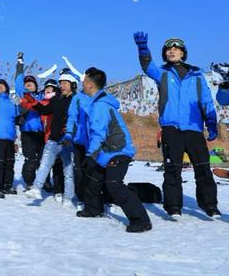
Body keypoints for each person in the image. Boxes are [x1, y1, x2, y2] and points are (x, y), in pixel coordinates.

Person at [134, 32, 220, 218]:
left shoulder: (197, 75)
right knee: (172, 170)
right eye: (168, 50)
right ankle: (174, 207)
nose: (171, 51)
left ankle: (210, 206)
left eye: (176, 49)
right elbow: (147, 67)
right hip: (171, 129)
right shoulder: (163, 74)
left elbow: (206, 101)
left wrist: (212, 124)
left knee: (203, 168)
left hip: (194, 129)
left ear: (183, 53)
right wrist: (143, 49)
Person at [77, 67, 152, 233]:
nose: (81, 82)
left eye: (84, 80)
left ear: (90, 84)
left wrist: (91, 156)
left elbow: (99, 133)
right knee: (93, 178)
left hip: (118, 151)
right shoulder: (97, 103)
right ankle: (93, 209)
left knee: (114, 184)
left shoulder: (100, 106)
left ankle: (141, 220)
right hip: (106, 152)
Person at [24, 72, 77, 207]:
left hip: (68, 140)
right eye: (61, 84)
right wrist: (33, 102)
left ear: (72, 85)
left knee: (68, 172)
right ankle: (36, 189)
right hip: (53, 138)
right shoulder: (56, 99)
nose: (62, 86)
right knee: (44, 165)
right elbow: (45, 110)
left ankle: (68, 198)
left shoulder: (77, 99)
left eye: (65, 83)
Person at [14, 53, 46, 190]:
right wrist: (20, 64)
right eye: (26, 84)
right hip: (27, 132)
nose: (28, 85)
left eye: (31, 83)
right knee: (31, 159)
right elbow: (18, 80)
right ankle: (29, 181)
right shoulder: (23, 96)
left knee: (42, 160)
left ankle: (44, 181)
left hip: (41, 133)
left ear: (36, 86)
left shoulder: (41, 97)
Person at [62, 69, 92, 203]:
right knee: (79, 170)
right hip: (79, 140)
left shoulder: (99, 98)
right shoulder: (77, 98)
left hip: (95, 141)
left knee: (95, 171)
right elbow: (72, 118)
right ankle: (81, 197)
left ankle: (100, 199)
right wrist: (68, 134)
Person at [0, 78, 19, 198]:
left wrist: (19, 108)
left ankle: (7, 185)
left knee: (10, 163)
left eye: (2, 85)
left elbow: (19, 114)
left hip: (10, 138)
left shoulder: (11, 103)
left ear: (7, 88)